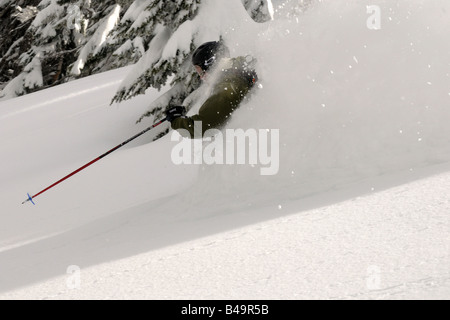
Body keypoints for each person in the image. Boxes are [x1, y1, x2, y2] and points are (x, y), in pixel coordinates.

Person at [165, 41, 258, 138]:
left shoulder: (227, 86)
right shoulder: (235, 72)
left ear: (210, 64)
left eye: (200, 71)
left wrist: (176, 120)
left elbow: (200, 128)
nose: (201, 77)